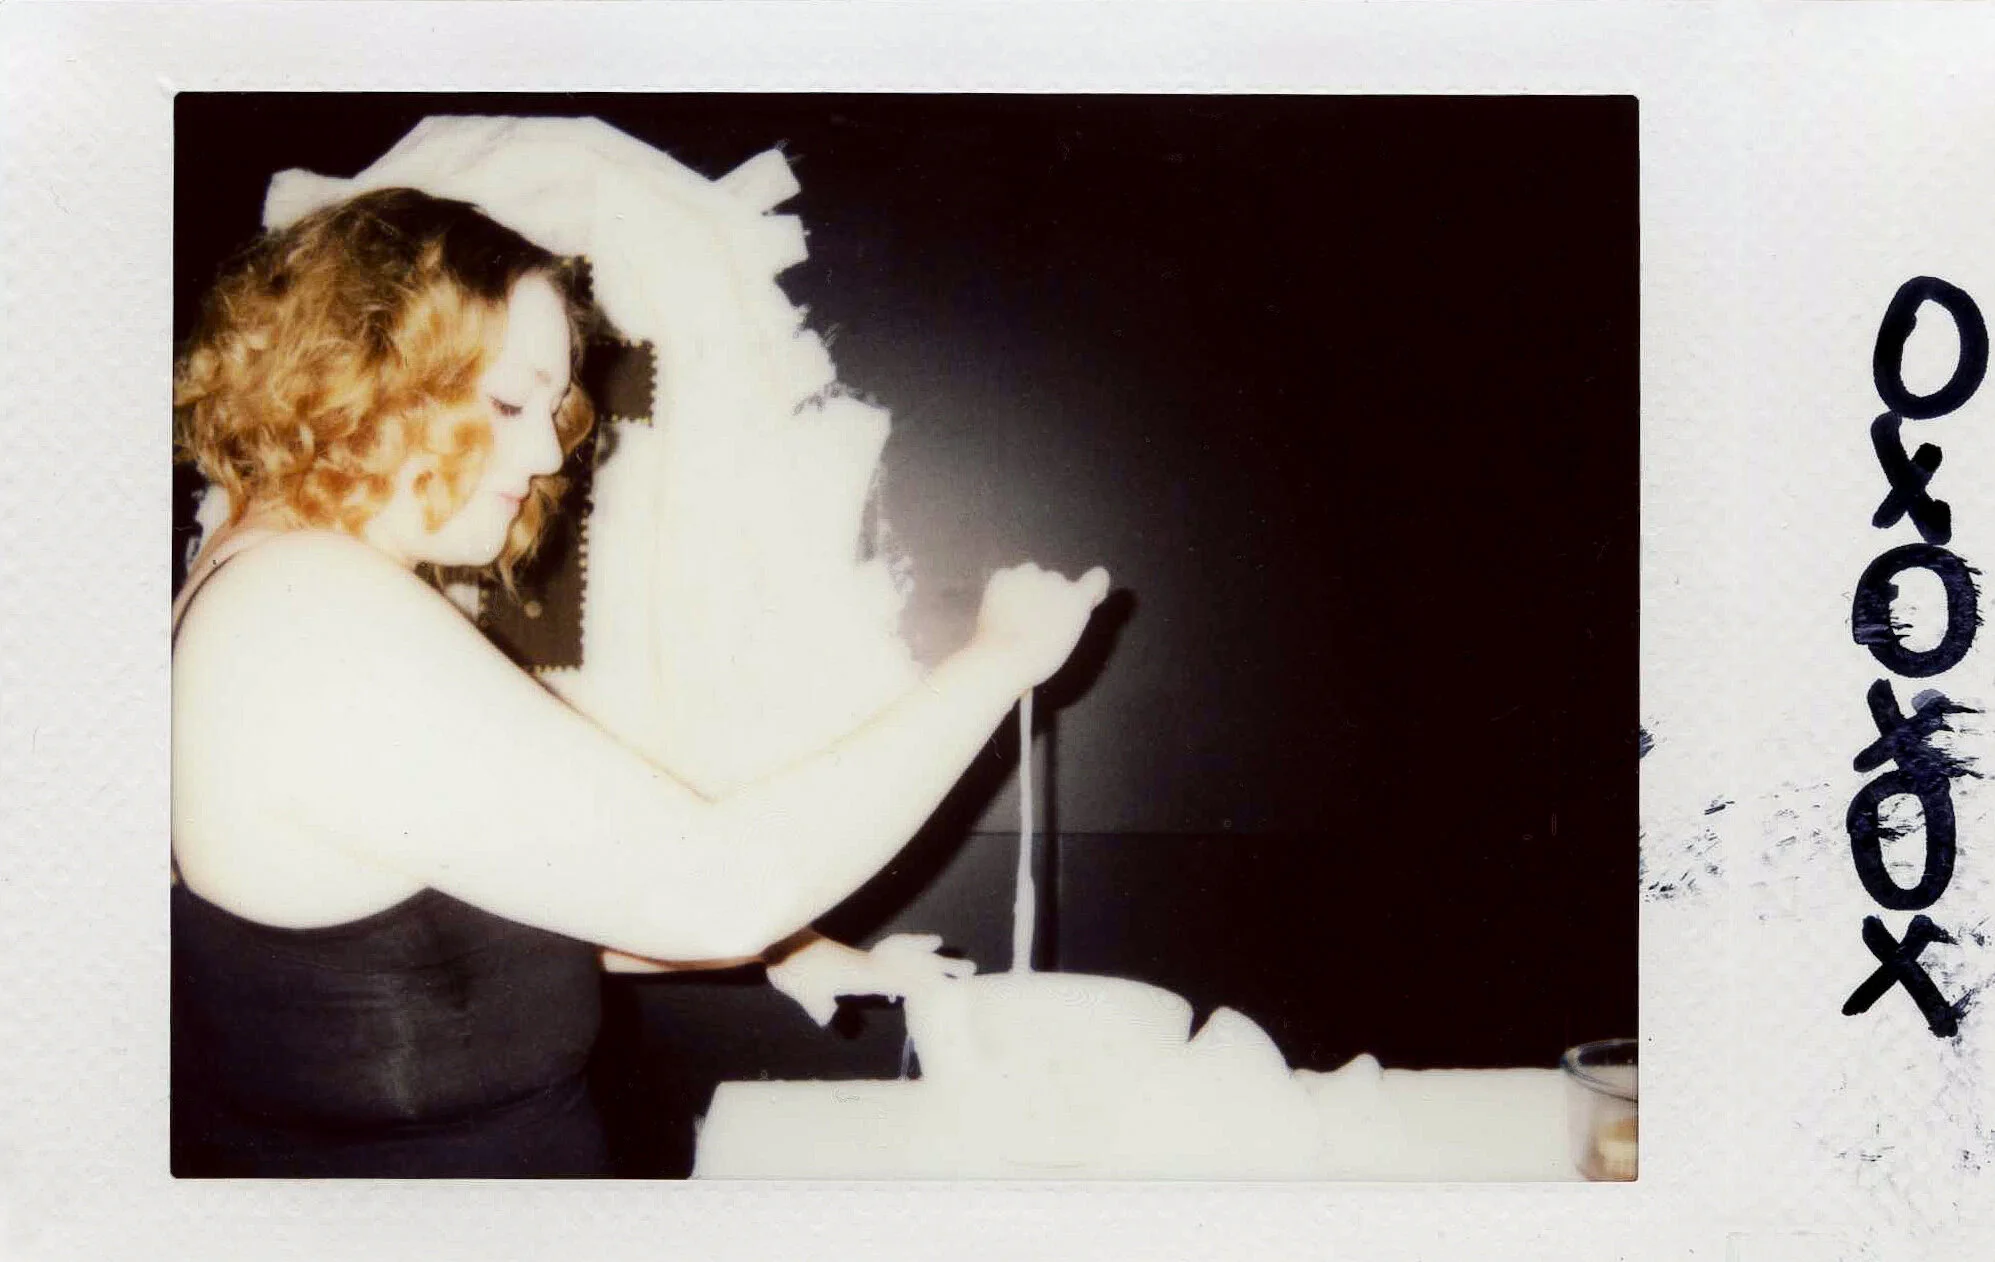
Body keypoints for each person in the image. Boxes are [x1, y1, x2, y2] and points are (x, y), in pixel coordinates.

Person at [170, 187, 1110, 1177]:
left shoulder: (264, 587)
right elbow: (721, 888)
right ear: (360, 374)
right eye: (508, 401)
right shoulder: (305, 609)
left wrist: (787, 950)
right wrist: (1000, 657)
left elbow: (466, 916)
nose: (547, 450)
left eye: (551, 409)